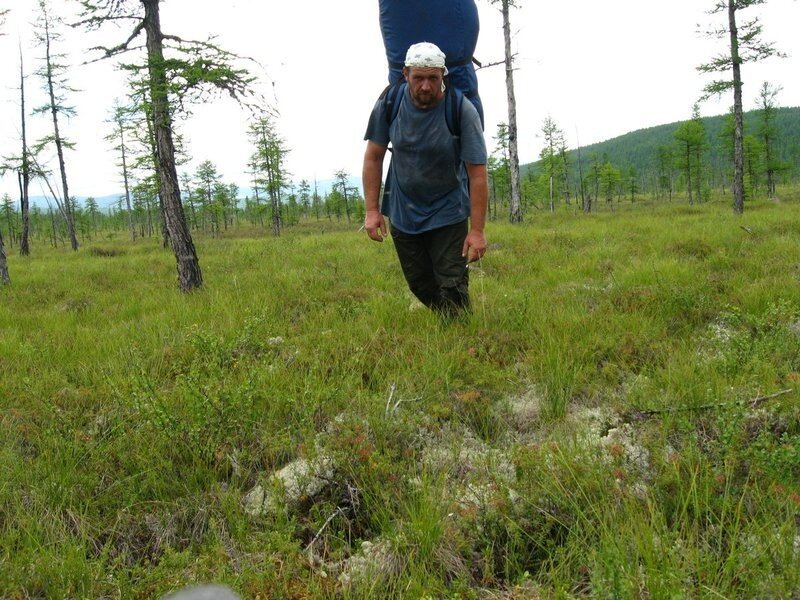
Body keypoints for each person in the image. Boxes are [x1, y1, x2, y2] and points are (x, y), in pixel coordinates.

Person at [362, 41, 488, 317]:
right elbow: (373, 157)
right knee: (420, 284)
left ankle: (460, 332)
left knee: (452, 285)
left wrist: (477, 231)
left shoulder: (460, 109)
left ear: (443, 75)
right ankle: (448, 324)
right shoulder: (390, 103)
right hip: (403, 211)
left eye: (433, 78)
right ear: (405, 74)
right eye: (418, 78)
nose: (426, 86)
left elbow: (477, 174)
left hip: (449, 211)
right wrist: (372, 211)